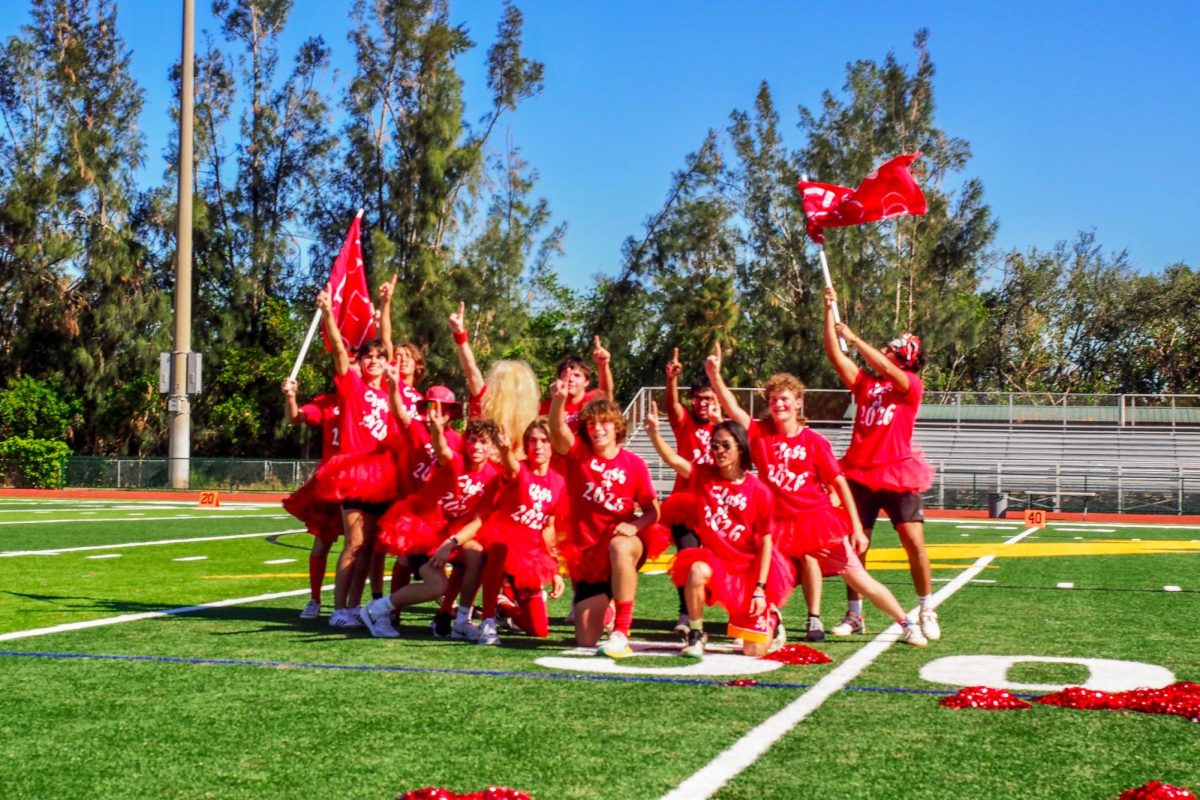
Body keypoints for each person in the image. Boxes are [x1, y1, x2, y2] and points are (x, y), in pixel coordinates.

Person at [706, 346, 928, 647]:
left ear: (798, 402)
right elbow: (733, 409)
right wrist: (714, 376)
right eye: (773, 400)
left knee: (858, 577)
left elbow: (839, 484)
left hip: (816, 522)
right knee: (760, 571)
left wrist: (854, 528)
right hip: (779, 525)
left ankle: (907, 622)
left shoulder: (814, 441)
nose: (778, 404)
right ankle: (768, 622)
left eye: (784, 398)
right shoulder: (760, 434)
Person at [823, 287, 939, 641]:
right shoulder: (867, 385)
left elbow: (886, 366)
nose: (885, 351)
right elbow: (834, 355)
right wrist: (830, 310)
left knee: (913, 541)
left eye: (891, 348)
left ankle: (926, 607)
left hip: (898, 469)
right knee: (857, 546)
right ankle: (855, 614)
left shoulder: (910, 385)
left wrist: (855, 339)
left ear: (904, 357)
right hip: (860, 472)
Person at [645, 411, 792, 658]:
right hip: (717, 564)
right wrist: (654, 434)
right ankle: (696, 633)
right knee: (694, 569)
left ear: (741, 449)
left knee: (753, 651)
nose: (719, 451)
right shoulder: (703, 475)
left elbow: (767, 542)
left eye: (726, 445)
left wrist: (760, 588)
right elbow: (672, 459)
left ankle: (772, 618)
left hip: (748, 571)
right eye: (715, 446)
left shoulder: (758, 491)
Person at [360, 396, 499, 639]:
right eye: (473, 441)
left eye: (483, 443)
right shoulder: (455, 461)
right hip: (421, 530)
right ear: (465, 444)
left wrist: (451, 543)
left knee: (477, 554)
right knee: (438, 586)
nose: (477, 447)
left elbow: (478, 520)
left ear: (492, 447)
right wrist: (436, 431)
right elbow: (442, 449)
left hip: (447, 534)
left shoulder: (491, 476)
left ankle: (462, 621)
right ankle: (377, 610)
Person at [549, 388, 665, 656]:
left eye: (603, 422)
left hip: (623, 544)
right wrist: (558, 400)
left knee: (620, 546)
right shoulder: (578, 454)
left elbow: (653, 511)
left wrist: (634, 527)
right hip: (590, 557)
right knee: (585, 640)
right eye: (591, 424)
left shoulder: (634, 463)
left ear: (616, 427)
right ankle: (608, 604)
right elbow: (557, 429)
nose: (597, 429)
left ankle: (622, 630)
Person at [462, 418, 568, 646]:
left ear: (553, 446)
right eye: (532, 441)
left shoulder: (558, 483)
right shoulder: (519, 468)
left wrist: (555, 569)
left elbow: (548, 528)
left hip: (529, 556)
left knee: (539, 630)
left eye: (544, 441)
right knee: (499, 548)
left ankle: (505, 608)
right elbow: (511, 467)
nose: (538, 446)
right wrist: (505, 450)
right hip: (502, 543)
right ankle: (488, 620)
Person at [662, 347, 722, 638]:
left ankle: (737, 610)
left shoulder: (725, 428)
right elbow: (671, 406)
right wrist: (671, 379)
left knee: (720, 560)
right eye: (699, 398)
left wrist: (719, 421)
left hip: (718, 507)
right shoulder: (685, 421)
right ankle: (685, 612)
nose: (703, 404)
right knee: (687, 556)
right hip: (686, 503)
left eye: (709, 398)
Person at [281, 377, 341, 619]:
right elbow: (295, 417)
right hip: (333, 480)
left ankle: (367, 604)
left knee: (366, 546)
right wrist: (291, 397)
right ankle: (315, 599)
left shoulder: (377, 398)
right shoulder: (329, 402)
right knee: (322, 541)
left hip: (366, 478)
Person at [447, 300, 540, 445]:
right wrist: (460, 336)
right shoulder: (484, 402)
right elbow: (471, 370)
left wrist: (460, 337)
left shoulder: (528, 422)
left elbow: (471, 370)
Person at [538, 337, 615, 433]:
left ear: (586, 382)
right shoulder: (546, 407)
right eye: (566, 375)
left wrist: (603, 366)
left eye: (577, 375)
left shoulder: (591, 401)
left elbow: (606, 391)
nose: (570, 379)